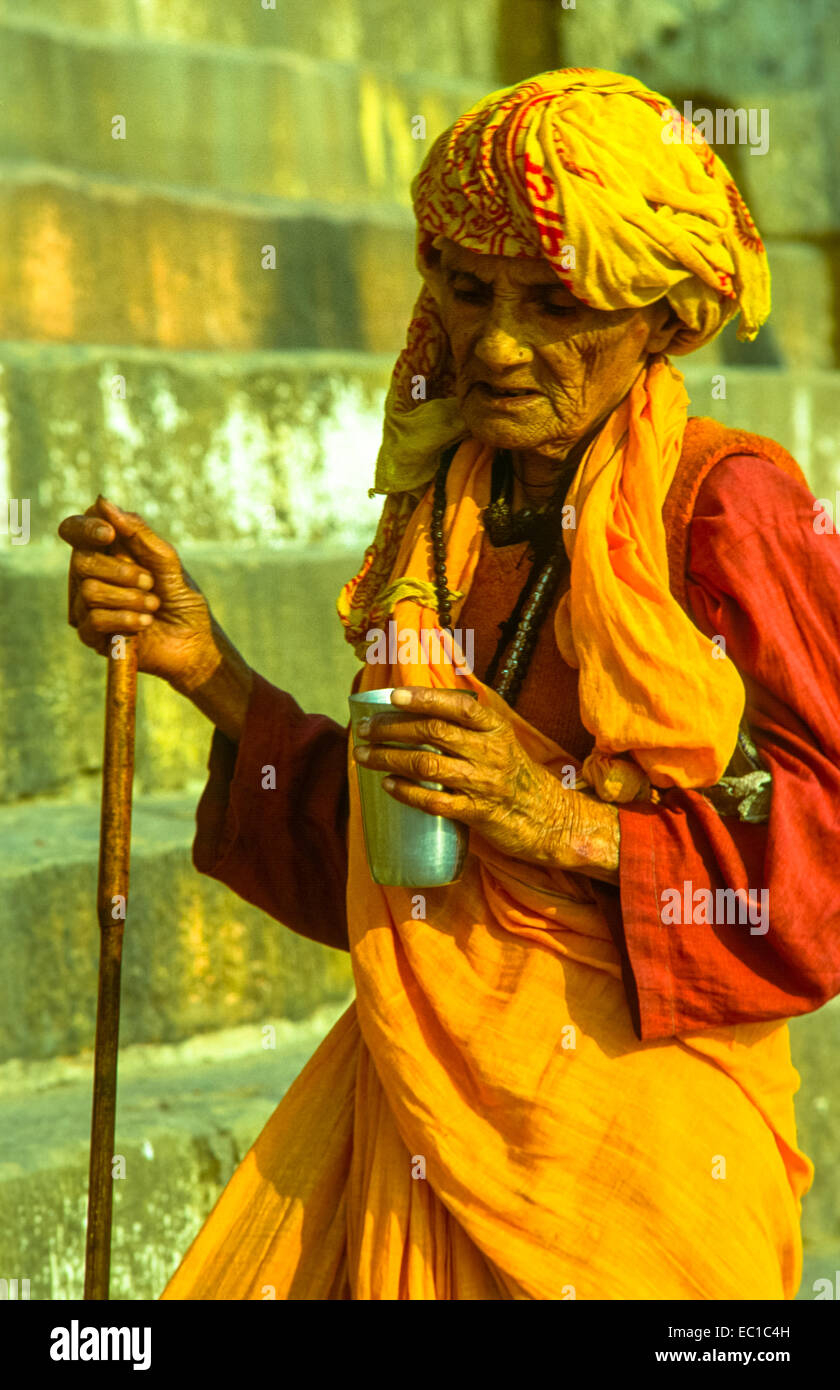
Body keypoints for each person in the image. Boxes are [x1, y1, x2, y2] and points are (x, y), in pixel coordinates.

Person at [59, 68, 840, 1300]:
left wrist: (564, 821)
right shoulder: (441, 521)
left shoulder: (728, 503)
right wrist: (208, 669)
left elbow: (820, 874)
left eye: (555, 303)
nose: (497, 343)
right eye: (467, 291)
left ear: (659, 315)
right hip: (420, 1100)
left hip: (633, 1158)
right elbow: (396, 876)